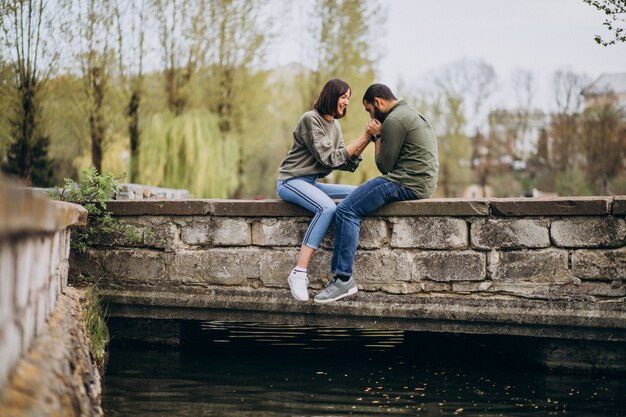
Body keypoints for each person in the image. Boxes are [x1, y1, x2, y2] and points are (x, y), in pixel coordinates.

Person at [313, 83, 439, 304]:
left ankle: (343, 279)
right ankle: (342, 279)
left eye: (369, 110)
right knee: (352, 201)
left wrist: (375, 136)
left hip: (406, 182)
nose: (370, 115)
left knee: (347, 210)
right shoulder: (408, 112)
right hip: (421, 182)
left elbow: (384, 166)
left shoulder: (393, 120)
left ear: (378, 102)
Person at [277, 79, 374, 302]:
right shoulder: (310, 119)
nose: (347, 102)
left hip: (310, 182)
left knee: (359, 193)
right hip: (291, 181)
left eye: (349, 98)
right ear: (331, 96)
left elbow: (342, 161)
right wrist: (365, 136)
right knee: (327, 208)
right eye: (344, 97)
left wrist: (368, 140)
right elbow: (328, 158)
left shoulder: (335, 125)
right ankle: (299, 272)